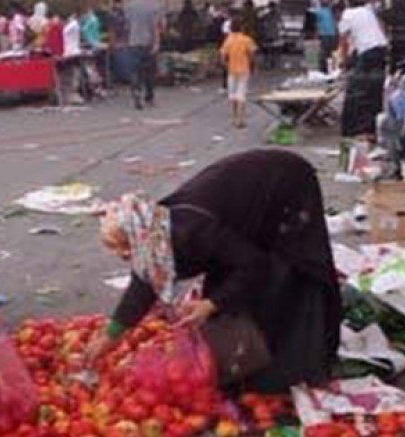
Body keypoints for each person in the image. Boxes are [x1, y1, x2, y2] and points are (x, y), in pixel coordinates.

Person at [86, 149, 342, 394]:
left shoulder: (191, 231)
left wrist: (211, 303)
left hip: (286, 186)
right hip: (245, 201)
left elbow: (254, 264)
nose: (124, 257)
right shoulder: (157, 235)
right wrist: (111, 336)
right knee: (234, 292)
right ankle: (257, 362)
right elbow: (143, 284)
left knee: (286, 278)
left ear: (140, 237)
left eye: (126, 249)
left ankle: (297, 364)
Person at [338, 0, 388, 139]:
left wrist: (342, 61)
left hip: (368, 52)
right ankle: (371, 128)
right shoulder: (368, 11)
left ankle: (356, 129)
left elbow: (343, 40)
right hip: (381, 49)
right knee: (375, 88)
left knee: (358, 90)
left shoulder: (347, 14)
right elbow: (380, 29)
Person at [124, 0, 163, 109]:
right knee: (149, 72)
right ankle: (149, 97)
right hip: (148, 43)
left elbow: (127, 26)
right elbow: (157, 27)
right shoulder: (155, 6)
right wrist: (157, 43)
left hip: (133, 42)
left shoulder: (129, 6)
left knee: (135, 71)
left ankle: (136, 92)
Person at [220, 19, 257, 128]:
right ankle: (241, 119)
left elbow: (222, 56)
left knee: (232, 95)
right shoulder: (247, 40)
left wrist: (226, 66)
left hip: (231, 70)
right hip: (244, 70)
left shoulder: (228, 40)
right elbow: (252, 55)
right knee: (241, 95)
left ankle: (234, 118)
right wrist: (252, 64)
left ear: (231, 28)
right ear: (242, 28)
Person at [314, 0, 337, 72]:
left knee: (325, 53)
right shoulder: (328, 11)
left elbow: (317, 25)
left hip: (326, 35)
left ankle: (326, 69)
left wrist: (316, 35)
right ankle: (328, 69)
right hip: (330, 35)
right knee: (328, 53)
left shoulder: (321, 11)